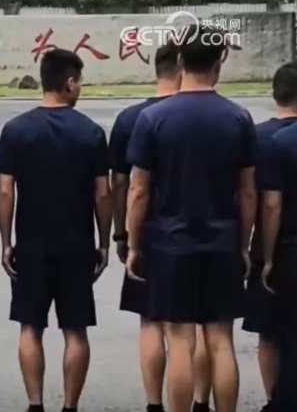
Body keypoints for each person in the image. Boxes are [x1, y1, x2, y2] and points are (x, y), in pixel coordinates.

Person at [125, 25, 255, 412]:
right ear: (219, 64)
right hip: (222, 241)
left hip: (169, 243)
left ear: (180, 62)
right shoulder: (239, 118)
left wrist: (133, 243)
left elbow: (138, 189)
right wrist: (243, 244)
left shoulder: (153, 117)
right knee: (221, 340)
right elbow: (248, 191)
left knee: (180, 340)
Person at [0, 48, 111, 412]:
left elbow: (5, 190)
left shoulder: (16, 130)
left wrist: (5, 242)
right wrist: (104, 243)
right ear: (69, 82)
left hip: (31, 244)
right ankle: (70, 406)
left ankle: (35, 404)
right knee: (75, 330)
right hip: (77, 245)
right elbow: (102, 193)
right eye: (80, 82)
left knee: (30, 327)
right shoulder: (91, 132)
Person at [109, 43, 213, 412]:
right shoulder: (207, 115)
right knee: (200, 325)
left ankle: (155, 403)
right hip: (206, 232)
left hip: (151, 233)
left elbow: (121, 183)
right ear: (183, 68)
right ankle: (200, 401)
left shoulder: (131, 118)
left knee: (151, 321)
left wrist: (122, 233)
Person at [243, 62, 297, 412]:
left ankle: (274, 399)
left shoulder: (258, 137)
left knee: (269, 332)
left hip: (276, 246)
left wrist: (258, 250)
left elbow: (260, 200)